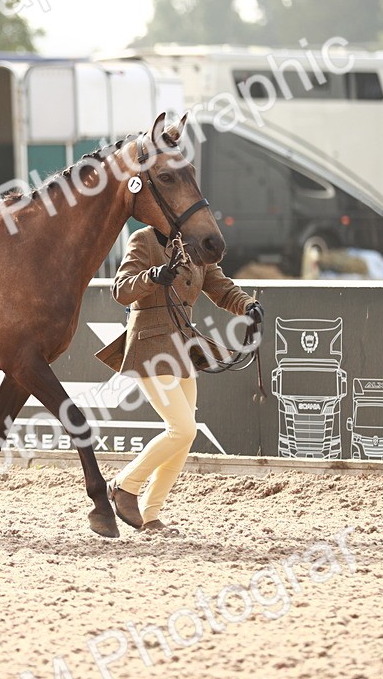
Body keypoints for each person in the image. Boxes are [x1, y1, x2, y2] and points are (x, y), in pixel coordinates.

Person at [101, 226, 263, 535]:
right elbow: (121, 289)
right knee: (182, 428)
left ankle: (150, 513)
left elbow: (221, 288)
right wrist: (151, 277)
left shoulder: (198, 245)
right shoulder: (144, 240)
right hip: (149, 345)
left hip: (182, 347)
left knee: (184, 436)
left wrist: (247, 306)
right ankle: (124, 486)